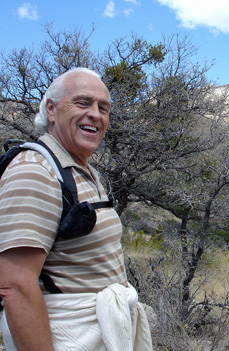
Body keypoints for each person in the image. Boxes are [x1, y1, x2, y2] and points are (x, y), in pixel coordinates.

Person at [0, 68, 152, 350]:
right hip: (69, 337)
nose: (95, 114)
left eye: (103, 107)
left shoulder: (82, 169)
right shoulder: (35, 171)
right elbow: (15, 285)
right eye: (83, 103)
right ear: (52, 109)